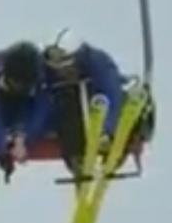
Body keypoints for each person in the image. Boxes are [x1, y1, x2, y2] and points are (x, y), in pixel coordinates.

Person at [42, 30, 125, 177]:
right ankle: (76, 157)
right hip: (74, 116)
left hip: (97, 109)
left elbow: (113, 95)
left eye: (65, 65)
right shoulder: (51, 74)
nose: (62, 71)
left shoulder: (98, 64)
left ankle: (112, 151)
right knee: (65, 98)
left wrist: (107, 128)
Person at [0, 41, 54, 176]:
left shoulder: (41, 75)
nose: (19, 88)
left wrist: (24, 138)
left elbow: (42, 109)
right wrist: (1, 150)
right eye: (15, 84)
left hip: (26, 106)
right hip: (1, 103)